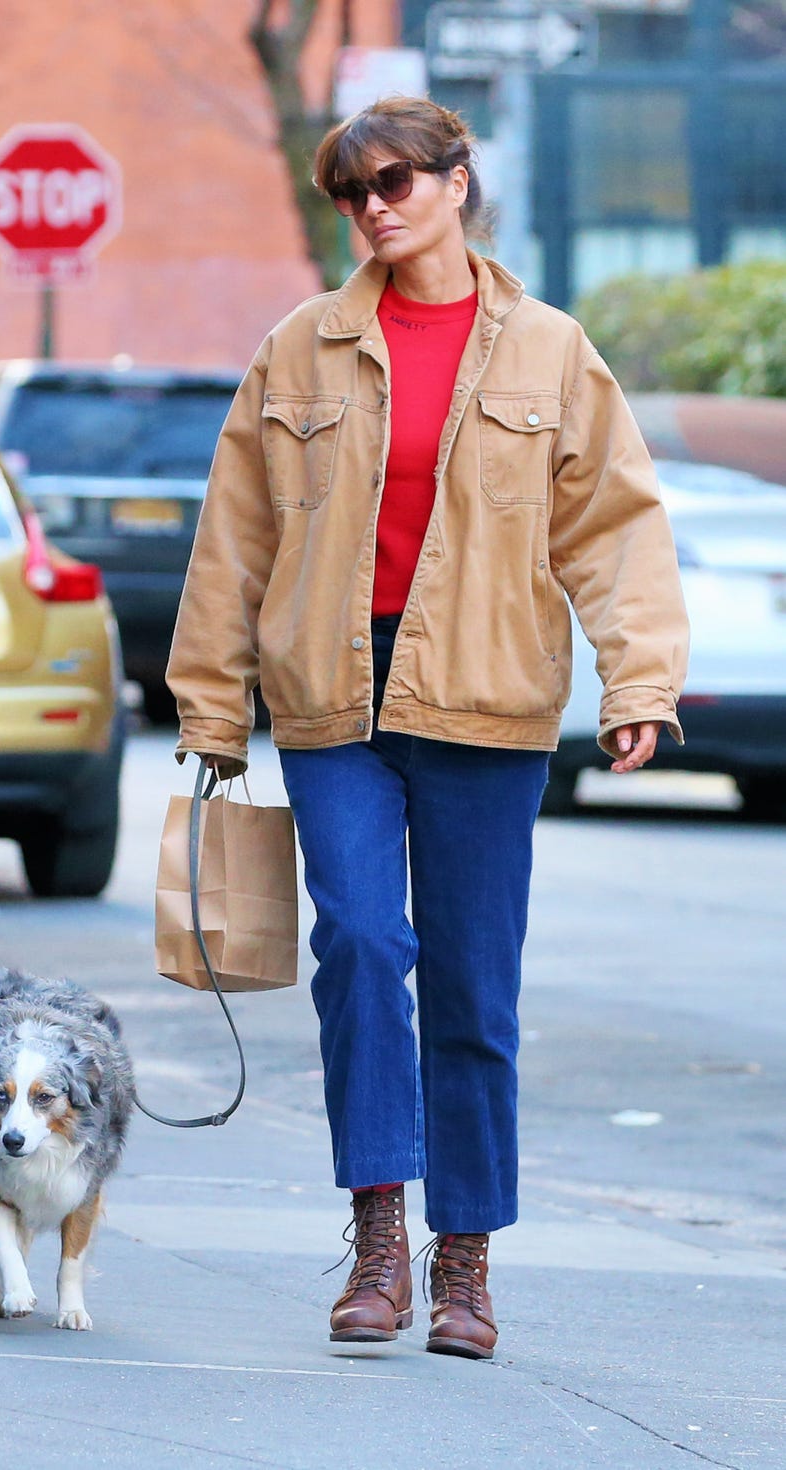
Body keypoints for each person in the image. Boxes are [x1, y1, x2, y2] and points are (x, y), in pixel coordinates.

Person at [166, 96, 689, 1359]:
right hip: (332, 693)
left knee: (470, 985)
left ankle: (465, 1265)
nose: (376, 206)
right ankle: (377, 1237)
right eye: (353, 191)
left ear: (459, 183)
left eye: (398, 180)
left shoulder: (552, 351)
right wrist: (208, 700)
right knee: (354, 940)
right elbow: (234, 533)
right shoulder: (299, 348)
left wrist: (638, 684)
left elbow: (611, 531)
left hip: (488, 698)